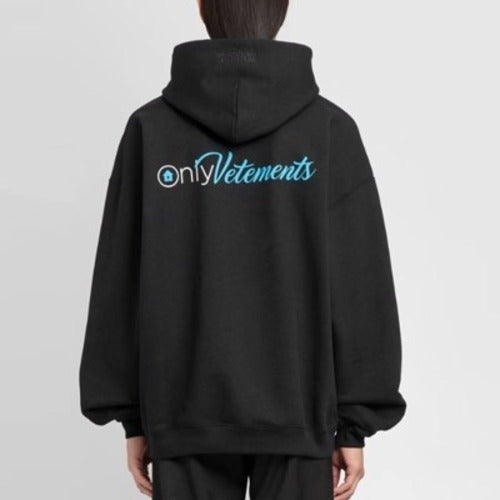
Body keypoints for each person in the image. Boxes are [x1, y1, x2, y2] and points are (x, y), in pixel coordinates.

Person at [79, 0, 406, 498]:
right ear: (282, 9)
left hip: (183, 413)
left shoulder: (150, 129)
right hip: (299, 414)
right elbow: (360, 279)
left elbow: (118, 282)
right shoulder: (329, 130)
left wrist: (133, 417)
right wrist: (353, 423)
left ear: (201, 7)